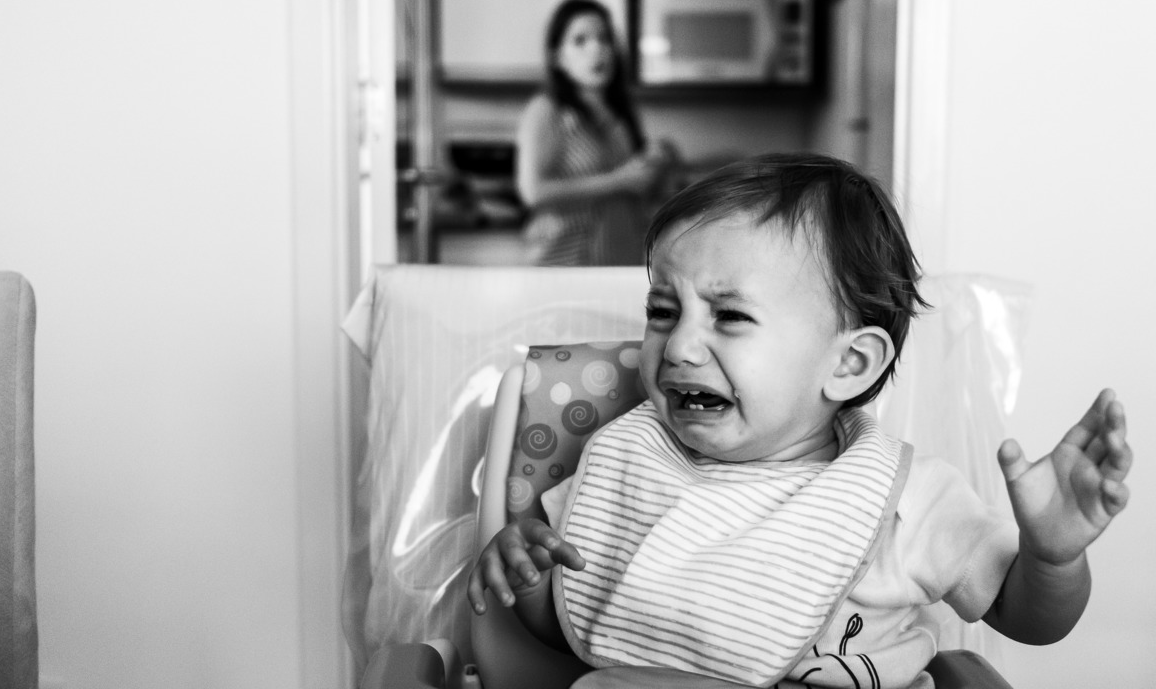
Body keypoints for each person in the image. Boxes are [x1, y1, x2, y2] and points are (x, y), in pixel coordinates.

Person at [468, 153, 1133, 688]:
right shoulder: (630, 457)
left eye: (728, 317)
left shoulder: (903, 501)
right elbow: (578, 627)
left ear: (848, 366)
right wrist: (528, 578)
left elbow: (1030, 620)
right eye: (663, 312)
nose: (678, 347)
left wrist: (1052, 556)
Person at [516, 0, 674, 266]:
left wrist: (655, 164)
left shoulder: (619, 115)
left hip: (620, 261)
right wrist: (618, 180)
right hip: (566, 267)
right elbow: (533, 190)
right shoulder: (547, 110)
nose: (597, 49)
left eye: (604, 38)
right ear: (558, 58)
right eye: (580, 40)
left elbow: (635, 190)